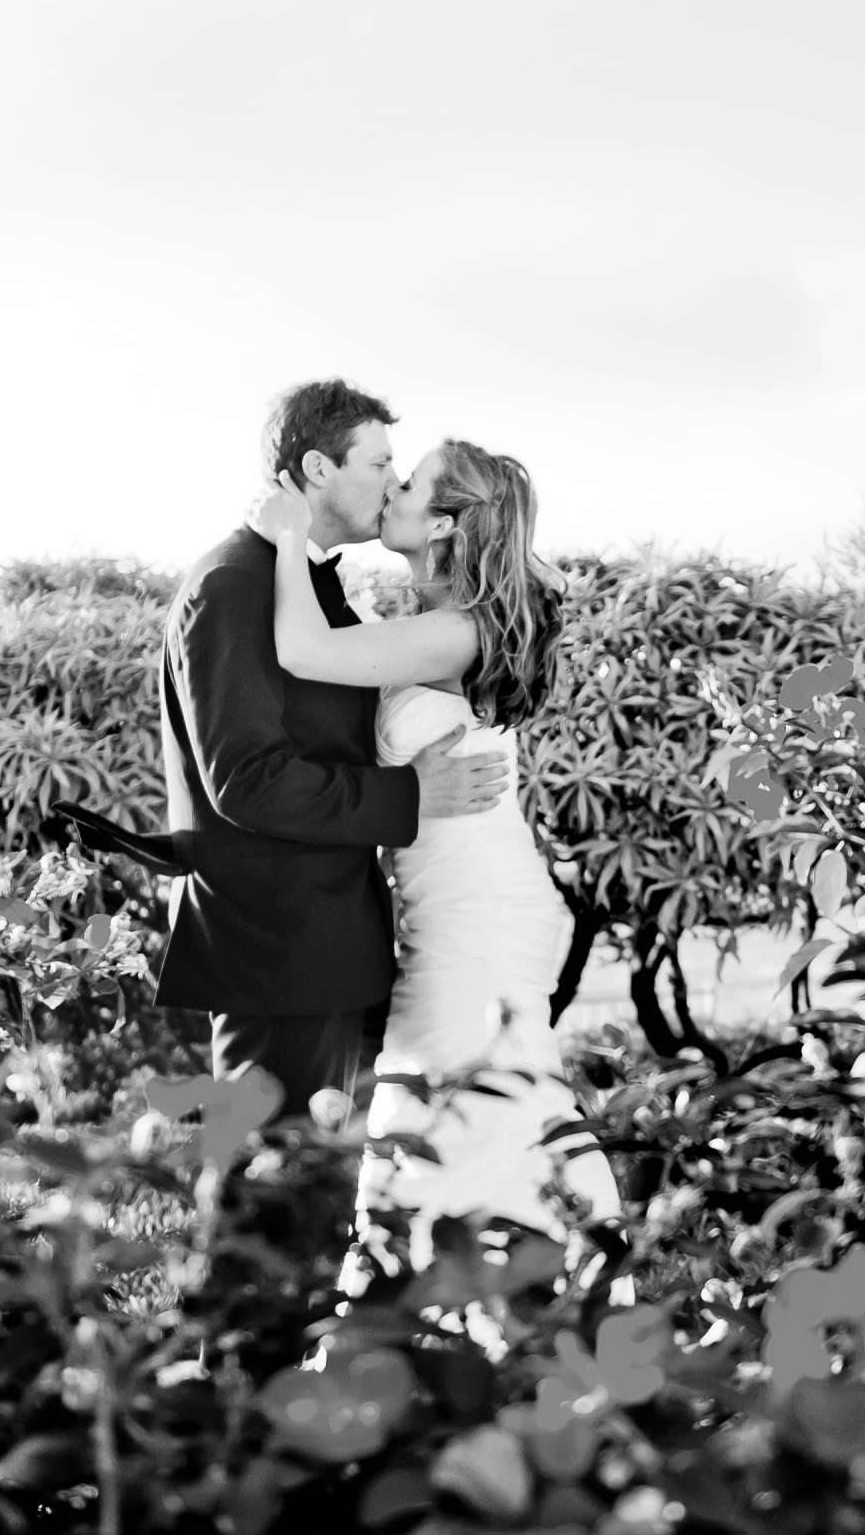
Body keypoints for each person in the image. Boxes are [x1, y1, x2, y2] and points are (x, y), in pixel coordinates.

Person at [244, 437, 627, 1288]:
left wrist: (282, 537)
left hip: (475, 916)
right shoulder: (449, 618)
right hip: (464, 902)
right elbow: (543, 576)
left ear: (447, 523)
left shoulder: (452, 632)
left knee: (447, 1109)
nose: (392, 489)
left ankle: (494, 1297)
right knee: (473, 1109)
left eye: (409, 482)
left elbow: (304, 653)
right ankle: (547, 1295)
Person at [149, 378, 509, 1149]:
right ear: (318, 469)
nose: (392, 483)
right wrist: (408, 795)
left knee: (304, 1194)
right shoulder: (235, 587)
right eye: (380, 464)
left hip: (324, 941)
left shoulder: (300, 583)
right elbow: (246, 781)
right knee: (264, 1186)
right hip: (280, 948)